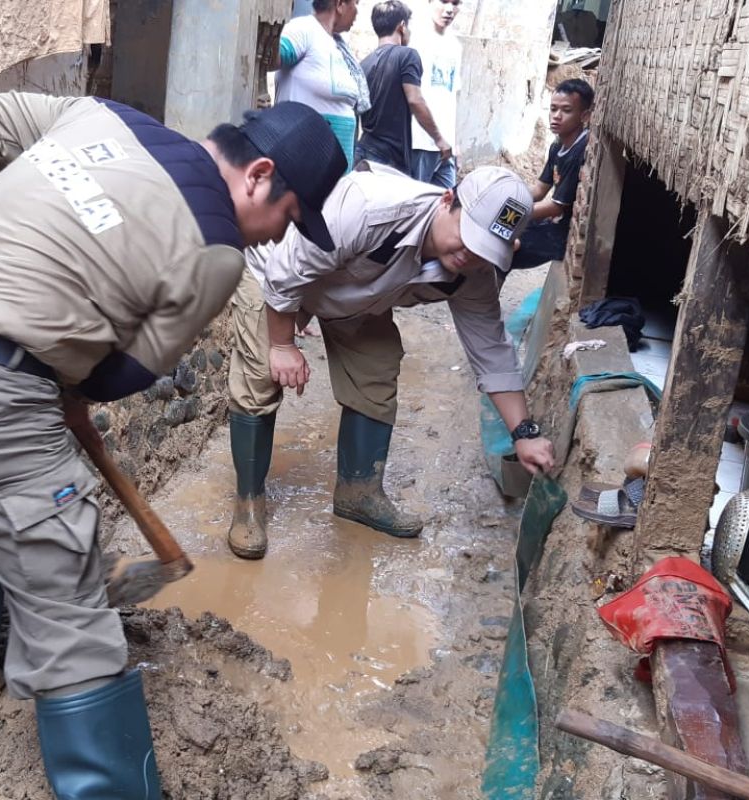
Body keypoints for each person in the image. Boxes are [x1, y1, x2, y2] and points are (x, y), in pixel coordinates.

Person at [0, 92, 347, 798]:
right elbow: (126, 372)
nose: (277, 238)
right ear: (260, 174)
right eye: (288, 217)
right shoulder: (215, 254)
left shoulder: (102, 116)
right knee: (73, 621)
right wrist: (63, 377)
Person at [226, 162, 556, 559]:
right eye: (468, 238)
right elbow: (285, 273)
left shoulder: (472, 272)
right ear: (448, 199)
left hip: (355, 296)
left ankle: (358, 492)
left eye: (486, 249)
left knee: (376, 371)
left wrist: (524, 433)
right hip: (275, 272)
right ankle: (248, 503)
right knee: (261, 373)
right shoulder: (368, 208)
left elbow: (491, 349)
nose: (470, 255)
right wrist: (282, 346)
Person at [275, 0, 370, 168]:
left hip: (335, 172)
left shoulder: (337, 45)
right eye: (355, 3)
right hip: (303, 165)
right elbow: (273, 56)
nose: (357, 11)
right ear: (340, 4)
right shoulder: (303, 29)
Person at [512, 78, 594, 269]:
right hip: (550, 221)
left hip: (564, 232)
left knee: (505, 251)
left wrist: (511, 214)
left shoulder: (580, 151)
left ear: (585, 116)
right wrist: (508, 200)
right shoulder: (557, 146)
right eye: (553, 109)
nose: (556, 116)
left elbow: (556, 207)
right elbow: (539, 190)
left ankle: (485, 298)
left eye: (566, 110)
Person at [355, 1, 432, 176]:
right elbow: (415, 100)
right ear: (402, 26)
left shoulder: (363, 64)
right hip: (388, 158)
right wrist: (439, 139)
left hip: (363, 152)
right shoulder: (407, 55)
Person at [409, 0, 463, 188]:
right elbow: (412, 95)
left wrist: (455, 142)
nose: (449, 9)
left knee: (448, 206)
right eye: (443, 1)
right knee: (416, 205)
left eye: (455, 3)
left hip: (446, 146)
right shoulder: (415, 40)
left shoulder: (455, 46)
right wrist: (437, 138)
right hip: (420, 141)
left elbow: (452, 96)